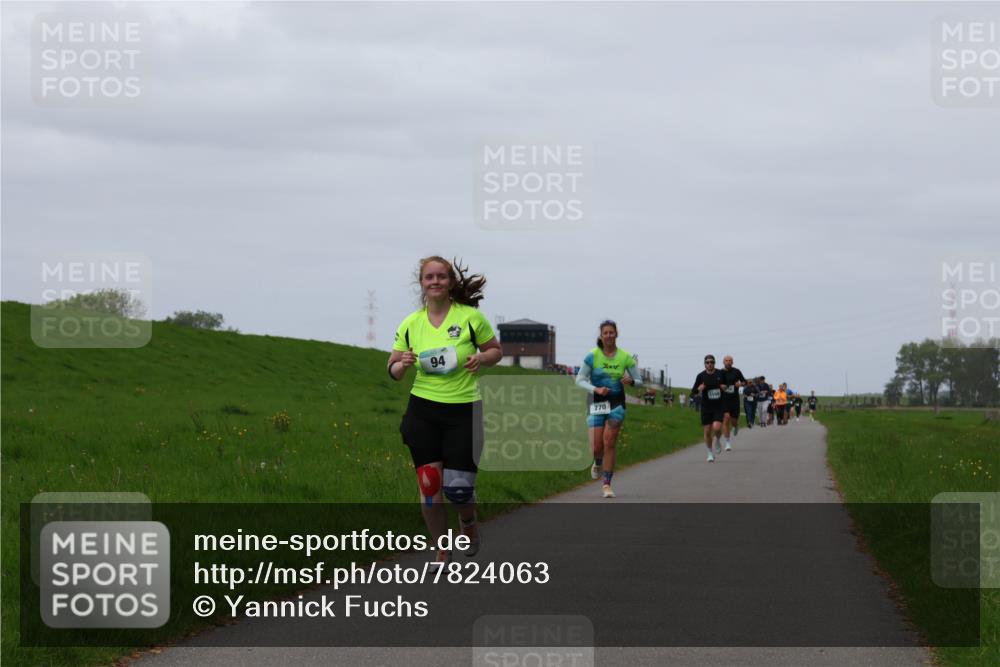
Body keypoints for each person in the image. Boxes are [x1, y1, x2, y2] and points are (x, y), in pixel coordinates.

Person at [388, 256, 503, 567]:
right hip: (422, 411)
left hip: (463, 410)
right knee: (429, 483)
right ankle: (441, 548)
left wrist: (482, 359)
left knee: (459, 487)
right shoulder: (411, 324)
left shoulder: (470, 318)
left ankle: (468, 523)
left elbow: (495, 350)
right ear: (422, 283)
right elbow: (393, 369)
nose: (435, 281)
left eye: (441, 276)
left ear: (450, 282)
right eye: (429, 277)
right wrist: (402, 364)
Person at [576, 320, 641, 498]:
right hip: (596, 401)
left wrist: (632, 381)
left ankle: (607, 484)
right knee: (597, 447)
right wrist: (595, 388)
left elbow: (639, 380)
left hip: (616, 403)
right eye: (606, 333)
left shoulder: (625, 357)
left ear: (616, 334)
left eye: (612, 332)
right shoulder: (592, 355)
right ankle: (597, 461)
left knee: (610, 442)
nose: (609, 335)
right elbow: (579, 379)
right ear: (601, 335)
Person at [692, 354, 728, 462]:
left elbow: (727, 385)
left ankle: (717, 439)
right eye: (707, 362)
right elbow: (693, 392)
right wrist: (699, 389)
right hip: (706, 407)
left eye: (712, 362)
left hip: (718, 406)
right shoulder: (700, 376)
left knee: (717, 428)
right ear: (704, 364)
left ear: (714, 363)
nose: (710, 364)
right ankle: (709, 453)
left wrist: (724, 387)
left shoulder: (720, 373)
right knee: (707, 431)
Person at [720, 355, 746, 450]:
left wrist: (740, 384)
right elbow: (715, 383)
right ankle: (727, 443)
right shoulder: (720, 372)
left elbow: (745, 382)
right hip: (723, 400)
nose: (728, 362)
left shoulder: (737, 371)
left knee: (734, 421)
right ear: (723, 362)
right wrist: (720, 386)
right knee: (726, 419)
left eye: (730, 360)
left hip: (734, 400)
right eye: (726, 360)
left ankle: (735, 426)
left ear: (732, 362)